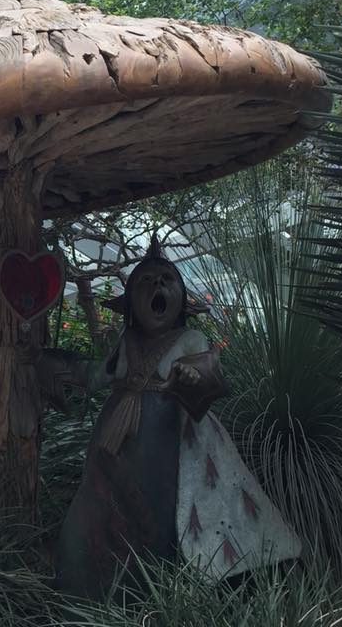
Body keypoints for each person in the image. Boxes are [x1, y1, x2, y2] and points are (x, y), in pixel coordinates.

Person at [45, 238, 301, 599]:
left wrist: (190, 378)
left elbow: (208, 376)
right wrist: (55, 364)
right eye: (146, 281)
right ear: (131, 300)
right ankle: (86, 585)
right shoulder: (127, 340)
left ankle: (152, 595)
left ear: (181, 297)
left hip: (168, 442)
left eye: (167, 280)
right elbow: (99, 374)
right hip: (114, 441)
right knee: (100, 508)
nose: (158, 286)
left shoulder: (189, 338)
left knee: (158, 516)